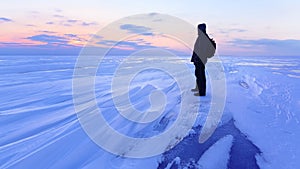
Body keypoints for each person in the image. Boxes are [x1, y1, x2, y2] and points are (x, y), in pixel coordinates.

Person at [191, 23, 213, 96]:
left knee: (201, 75)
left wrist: (198, 58)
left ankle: (202, 92)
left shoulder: (203, 38)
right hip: (198, 60)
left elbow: (201, 50)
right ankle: (198, 88)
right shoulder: (201, 37)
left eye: (199, 29)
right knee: (198, 74)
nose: (197, 30)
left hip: (200, 60)